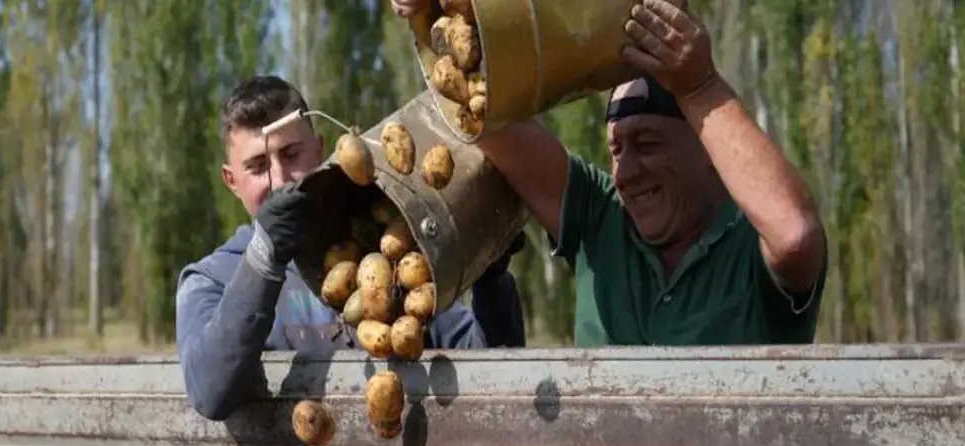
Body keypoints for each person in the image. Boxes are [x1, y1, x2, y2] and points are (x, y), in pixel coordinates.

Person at [392, 0, 828, 346]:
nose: (627, 172)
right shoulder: (601, 220)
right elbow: (482, 116)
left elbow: (797, 235)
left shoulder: (749, 245)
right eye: (616, 150)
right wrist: (430, 17)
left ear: (707, 147)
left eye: (648, 144)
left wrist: (699, 87)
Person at [175, 75, 526, 421]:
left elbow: (487, 369)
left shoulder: (385, 253)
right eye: (257, 167)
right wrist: (265, 256)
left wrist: (490, 279)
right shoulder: (210, 279)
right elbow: (209, 393)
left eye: (291, 154)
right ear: (231, 181)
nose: (280, 179)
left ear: (320, 148)